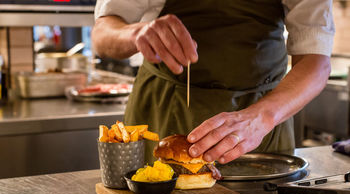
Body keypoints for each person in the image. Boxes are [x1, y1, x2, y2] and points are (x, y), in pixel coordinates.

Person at [92, 0, 334, 164]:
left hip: (261, 121)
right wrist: (135, 33)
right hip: (163, 109)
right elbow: (102, 35)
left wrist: (262, 118)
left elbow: (316, 61)